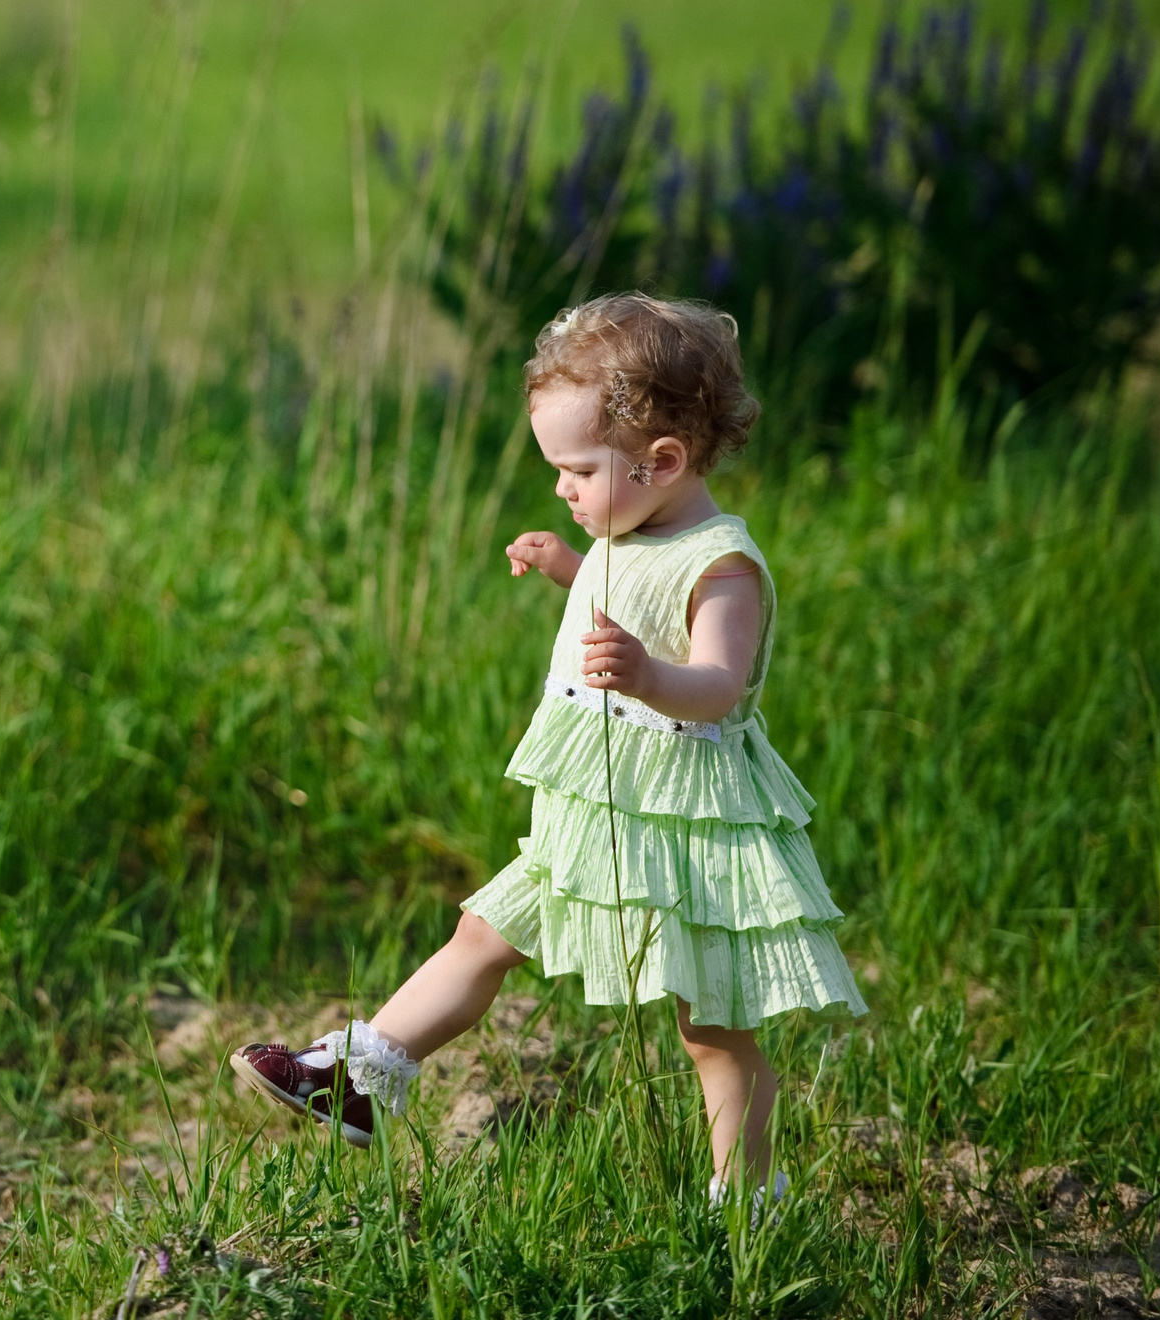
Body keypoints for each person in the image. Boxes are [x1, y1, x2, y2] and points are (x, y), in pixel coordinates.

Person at [228, 293, 865, 1204]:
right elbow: (621, 584)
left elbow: (720, 685)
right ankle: (356, 1080)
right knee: (484, 931)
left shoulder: (721, 561)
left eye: (575, 470)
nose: (562, 489)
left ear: (664, 461)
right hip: (598, 810)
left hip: (685, 822)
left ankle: (751, 1200)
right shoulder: (626, 528)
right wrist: (572, 571)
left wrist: (649, 673)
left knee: (710, 1027)